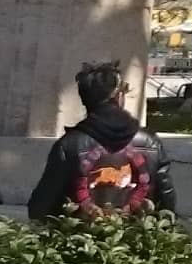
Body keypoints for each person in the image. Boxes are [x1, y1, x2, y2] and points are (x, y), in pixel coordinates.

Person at [26, 60, 183, 223]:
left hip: (80, 242)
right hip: (136, 240)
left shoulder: (68, 145)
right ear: (119, 96)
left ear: (84, 99)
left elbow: (40, 207)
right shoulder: (151, 143)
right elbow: (166, 202)